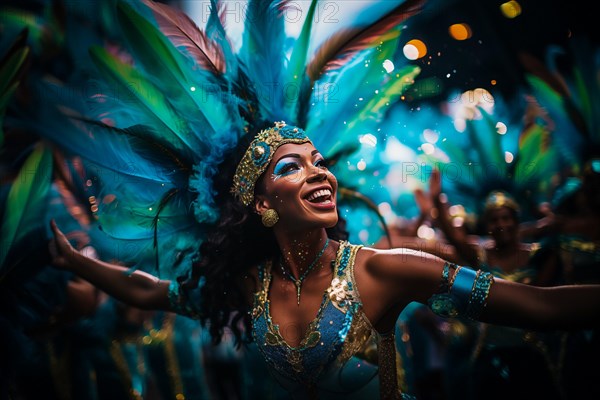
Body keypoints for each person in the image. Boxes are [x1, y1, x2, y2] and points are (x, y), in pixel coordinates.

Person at [48, 121, 600, 399]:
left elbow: (534, 304)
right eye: (293, 167)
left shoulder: (383, 270)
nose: (319, 172)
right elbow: (152, 292)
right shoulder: (248, 286)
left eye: (319, 162)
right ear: (262, 204)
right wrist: (75, 262)